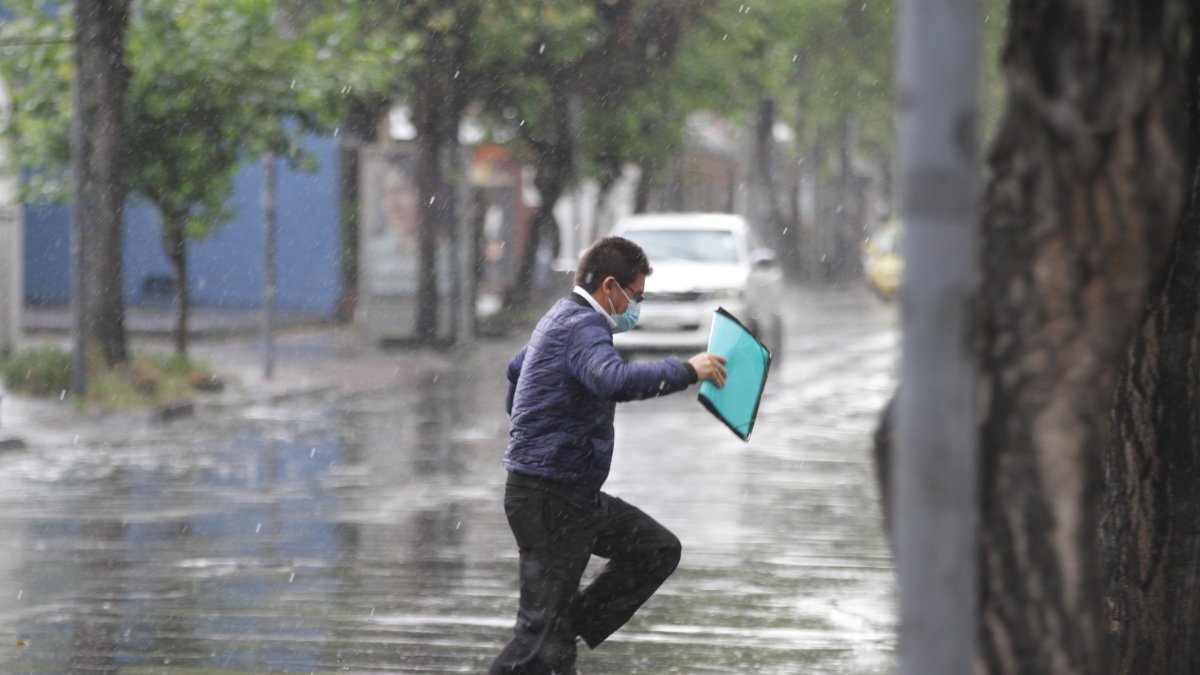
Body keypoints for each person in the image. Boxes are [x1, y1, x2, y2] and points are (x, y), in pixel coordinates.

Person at [489, 236, 728, 675]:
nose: (636, 306)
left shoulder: (560, 317)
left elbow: (516, 368)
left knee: (655, 550)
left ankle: (566, 626)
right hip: (549, 498)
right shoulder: (583, 326)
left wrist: (528, 420)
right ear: (611, 287)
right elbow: (612, 380)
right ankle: (556, 630)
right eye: (636, 296)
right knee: (537, 637)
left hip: (567, 494)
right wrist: (686, 370)